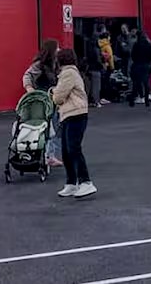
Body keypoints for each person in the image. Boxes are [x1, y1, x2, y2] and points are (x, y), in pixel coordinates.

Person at [51, 48, 96, 199]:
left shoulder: (67, 74)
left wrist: (54, 93)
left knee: (73, 149)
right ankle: (71, 183)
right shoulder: (70, 72)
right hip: (70, 114)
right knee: (66, 150)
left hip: (75, 114)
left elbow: (58, 98)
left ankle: (86, 182)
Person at [23, 39, 63, 167]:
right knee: (45, 128)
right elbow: (27, 75)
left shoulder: (57, 64)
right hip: (42, 101)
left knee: (55, 128)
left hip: (54, 101)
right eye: (57, 48)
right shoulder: (40, 65)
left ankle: (51, 155)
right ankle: (44, 155)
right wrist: (29, 88)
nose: (59, 50)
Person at [128, 29, 151, 108]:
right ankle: (147, 100)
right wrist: (148, 61)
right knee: (146, 82)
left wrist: (137, 60)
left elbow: (133, 55)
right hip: (146, 65)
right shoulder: (149, 44)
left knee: (136, 83)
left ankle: (134, 99)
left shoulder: (136, 44)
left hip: (137, 65)